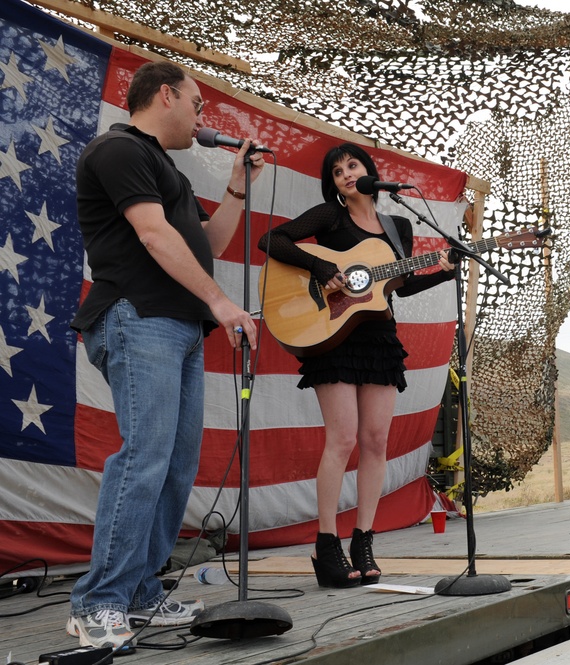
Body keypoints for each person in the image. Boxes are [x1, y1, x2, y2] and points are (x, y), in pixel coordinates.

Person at [67, 61, 265, 648]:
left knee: (176, 464)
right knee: (145, 456)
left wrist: (236, 184)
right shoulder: (119, 149)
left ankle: (139, 590)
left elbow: (207, 246)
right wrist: (225, 306)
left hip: (178, 325)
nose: (204, 116)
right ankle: (98, 601)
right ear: (165, 94)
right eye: (198, 103)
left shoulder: (167, 173)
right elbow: (153, 238)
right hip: (137, 316)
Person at [258, 143, 455, 588]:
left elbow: (398, 287)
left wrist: (445, 268)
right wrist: (323, 266)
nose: (346, 174)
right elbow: (271, 240)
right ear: (333, 183)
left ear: (369, 172)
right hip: (332, 335)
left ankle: (362, 540)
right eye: (337, 171)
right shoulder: (329, 217)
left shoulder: (398, 225)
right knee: (342, 438)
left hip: (379, 338)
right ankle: (325, 542)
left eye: (353, 165)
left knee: (375, 441)